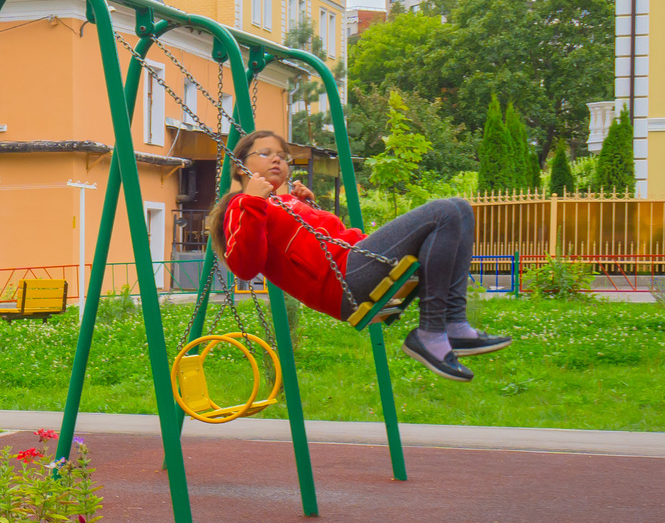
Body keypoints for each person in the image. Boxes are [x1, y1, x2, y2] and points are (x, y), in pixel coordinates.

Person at [206, 129, 511, 380]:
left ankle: (455, 325)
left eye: (282, 155)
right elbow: (245, 267)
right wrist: (254, 203)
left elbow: (314, 243)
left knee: (461, 210)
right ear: (239, 165)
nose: (276, 158)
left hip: (354, 261)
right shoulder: (242, 206)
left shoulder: (284, 201)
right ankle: (431, 333)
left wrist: (310, 208)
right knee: (446, 211)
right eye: (265, 153)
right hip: (344, 281)